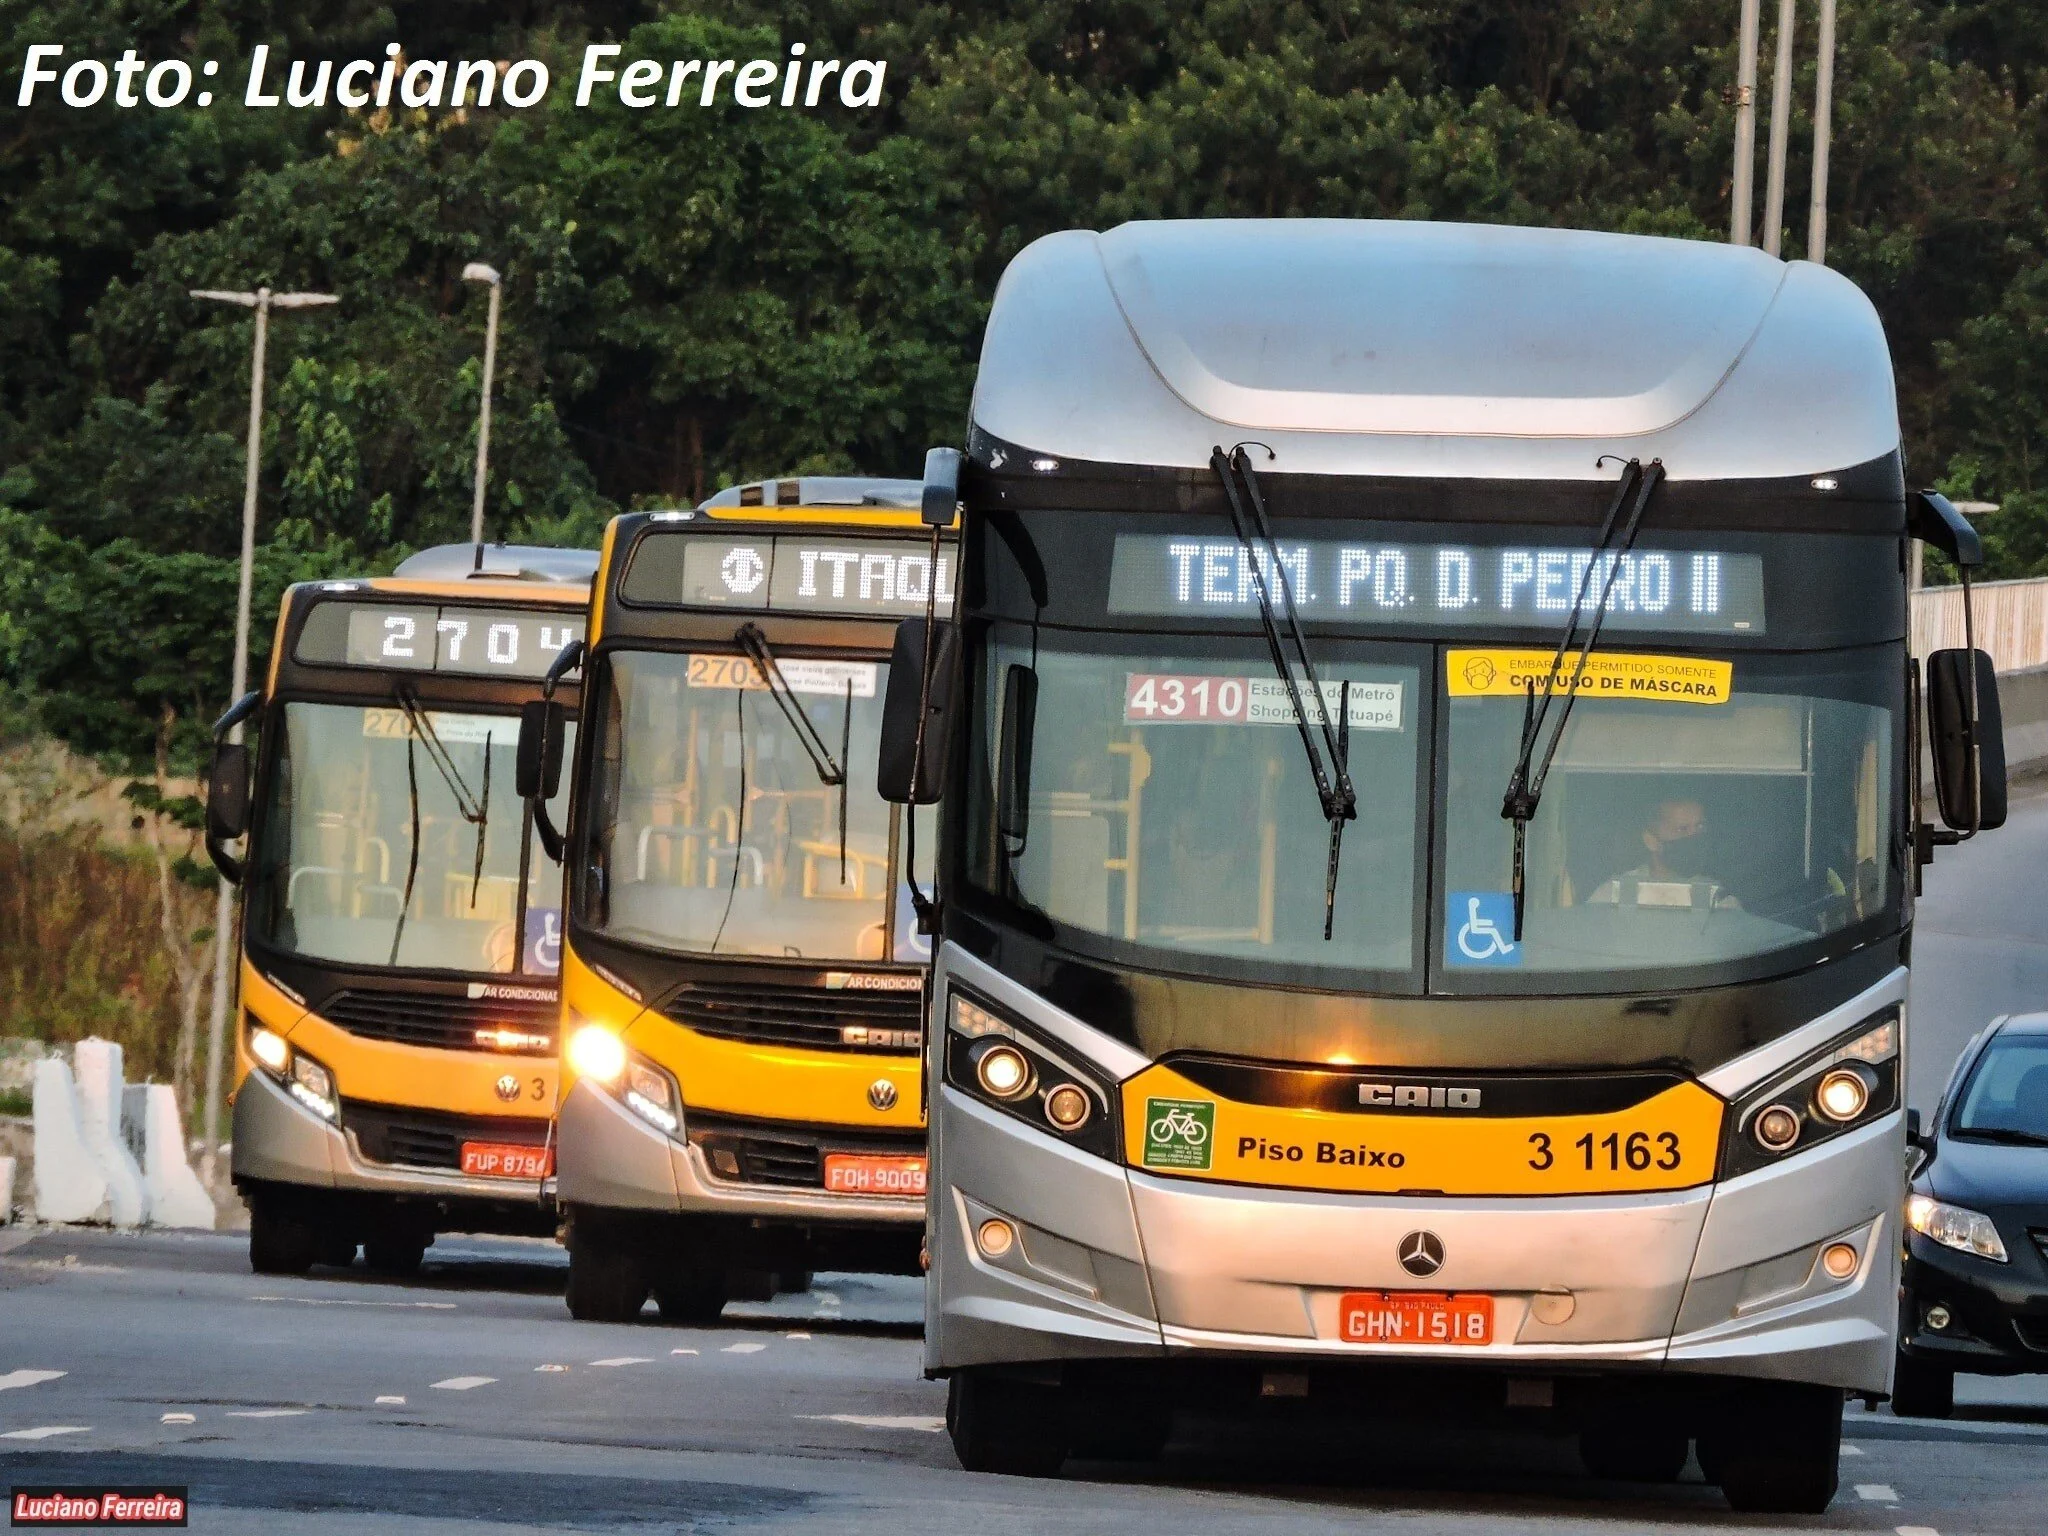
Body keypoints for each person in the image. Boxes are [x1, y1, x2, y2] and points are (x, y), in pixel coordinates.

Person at [1588, 797, 1740, 909]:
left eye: (1700, 827)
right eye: (1682, 829)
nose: (1694, 838)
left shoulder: (1719, 899)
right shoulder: (1613, 895)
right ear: (1651, 841)